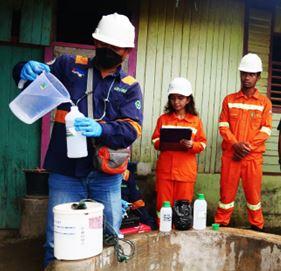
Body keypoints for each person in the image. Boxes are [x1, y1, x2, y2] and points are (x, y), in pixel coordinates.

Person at [12, 13, 143, 268]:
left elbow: (132, 130)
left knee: (109, 237)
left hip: (106, 175)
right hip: (66, 172)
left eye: (115, 47)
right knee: (57, 239)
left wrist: (101, 130)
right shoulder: (68, 66)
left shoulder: (130, 86)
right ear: (95, 42)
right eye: (103, 44)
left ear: (127, 51)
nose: (108, 50)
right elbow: (34, 81)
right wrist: (23, 68)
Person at [214, 53, 272, 232]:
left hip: (252, 158)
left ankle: (257, 227)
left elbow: (266, 130)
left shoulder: (264, 103)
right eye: (244, 73)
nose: (247, 77)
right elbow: (223, 126)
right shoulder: (229, 100)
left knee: (254, 197)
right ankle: (221, 226)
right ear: (240, 74)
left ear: (258, 77)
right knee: (226, 195)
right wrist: (235, 144)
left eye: (252, 74)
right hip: (232, 155)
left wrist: (247, 147)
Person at [151, 77, 207, 221]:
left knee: (182, 208)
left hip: (185, 172)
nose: (176, 102)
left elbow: (202, 143)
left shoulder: (195, 121)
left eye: (180, 98)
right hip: (165, 171)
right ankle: (162, 233)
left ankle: (179, 238)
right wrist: (161, 143)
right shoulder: (163, 119)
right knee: (163, 207)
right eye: (173, 98)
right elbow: (155, 139)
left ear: (188, 99)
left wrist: (191, 145)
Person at [121, 165, 157, 230]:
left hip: (125, 215)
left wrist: (149, 223)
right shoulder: (99, 176)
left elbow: (136, 200)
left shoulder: (126, 174)